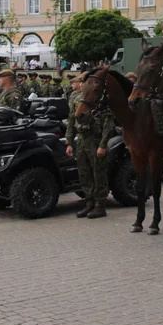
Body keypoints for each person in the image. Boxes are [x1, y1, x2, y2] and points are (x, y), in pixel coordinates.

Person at [66, 74, 114, 219]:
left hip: (95, 139)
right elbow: (71, 120)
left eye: (83, 83)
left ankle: (100, 205)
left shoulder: (100, 99)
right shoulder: (76, 99)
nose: (81, 85)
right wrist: (69, 142)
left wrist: (103, 145)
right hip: (81, 139)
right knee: (84, 173)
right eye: (80, 82)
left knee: (98, 173)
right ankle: (89, 203)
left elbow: (108, 124)